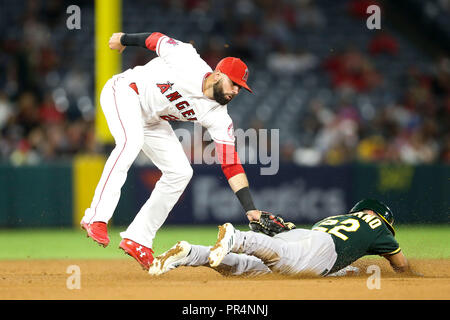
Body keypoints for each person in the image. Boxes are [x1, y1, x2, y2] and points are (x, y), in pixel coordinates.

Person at [80, 31, 264, 270]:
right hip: (125, 92)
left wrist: (250, 208)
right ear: (218, 74)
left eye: (241, 88)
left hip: (152, 119)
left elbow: (231, 163)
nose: (236, 91)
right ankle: (95, 217)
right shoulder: (186, 58)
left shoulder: (219, 116)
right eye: (235, 84)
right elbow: (155, 39)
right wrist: (123, 39)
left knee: (180, 172)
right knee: (130, 142)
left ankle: (138, 239)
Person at [149, 199, 414, 277]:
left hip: (310, 236)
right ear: (374, 214)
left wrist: (351, 271)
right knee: (284, 260)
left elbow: (317, 247)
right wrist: (413, 278)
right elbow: (400, 264)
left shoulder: (332, 220)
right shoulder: (377, 224)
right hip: (320, 251)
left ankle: (192, 253)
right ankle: (237, 237)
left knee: (243, 268)